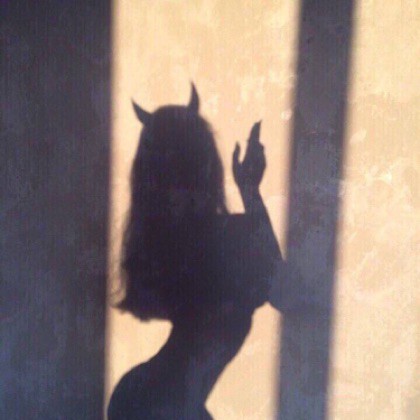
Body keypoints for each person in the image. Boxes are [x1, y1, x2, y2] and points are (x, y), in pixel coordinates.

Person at [108, 84, 284, 419]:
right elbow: (287, 291)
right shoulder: (228, 237)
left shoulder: (164, 243)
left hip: (145, 402)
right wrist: (250, 191)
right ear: (208, 166)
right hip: (161, 406)